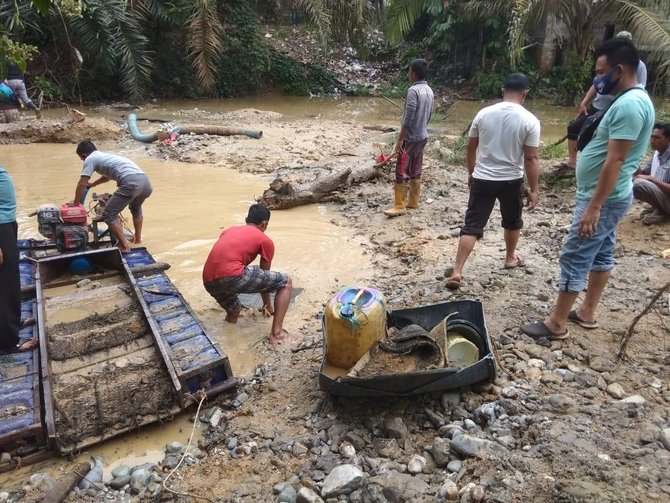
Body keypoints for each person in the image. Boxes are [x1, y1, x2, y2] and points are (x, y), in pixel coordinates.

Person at [521, 38, 655, 340]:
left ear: (619, 70)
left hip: (603, 197)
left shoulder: (631, 105)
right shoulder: (632, 99)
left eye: (600, 71)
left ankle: (556, 324)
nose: (597, 79)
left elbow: (617, 159)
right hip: (609, 194)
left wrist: (594, 206)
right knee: (601, 251)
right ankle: (587, 312)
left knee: (576, 252)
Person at [445, 73, 540, 289]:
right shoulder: (530, 120)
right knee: (512, 220)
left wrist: (471, 172)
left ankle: (458, 270)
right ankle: (509, 258)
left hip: (483, 178)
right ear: (525, 94)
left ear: (502, 91)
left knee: (472, 225)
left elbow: (470, 148)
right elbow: (531, 158)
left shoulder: (483, 114)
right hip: (511, 180)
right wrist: (534, 189)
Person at [203, 204, 293, 345]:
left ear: (247, 219)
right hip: (232, 275)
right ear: (264, 224)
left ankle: (227, 343)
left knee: (234, 309)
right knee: (286, 282)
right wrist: (267, 305)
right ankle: (277, 334)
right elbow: (264, 276)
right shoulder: (265, 240)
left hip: (208, 280)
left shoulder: (228, 231)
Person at [556, 31, 647, 170]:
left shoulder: (636, 72)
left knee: (613, 139)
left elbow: (638, 86)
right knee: (575, 127)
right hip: (598, 106)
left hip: (612, 108)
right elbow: (596, 84)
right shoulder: (608, 62)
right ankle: (573, 160)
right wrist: (584, 102)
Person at [72, 141, 153, 253]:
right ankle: (138, 239)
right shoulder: (106, 157)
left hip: (131, 182)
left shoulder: (90, 159)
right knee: (136, 208)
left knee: (108, 214)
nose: (83, 161)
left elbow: (82, 182)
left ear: (84, 155)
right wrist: (93, 184)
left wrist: (76, 203)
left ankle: (124, 246)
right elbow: (107, 177)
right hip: (146, 183)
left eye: (81, 158)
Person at [384, 59, 434, 217]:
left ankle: (399, 205)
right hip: (422, 135)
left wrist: (400, 140)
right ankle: (413, 201)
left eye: (409, 71)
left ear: (413, 74)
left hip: (411, 138)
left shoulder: (413, 91)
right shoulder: (429, 90)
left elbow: (408, 117)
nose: (408, 74)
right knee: (415, 168)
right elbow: (430, 114)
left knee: (401, 169)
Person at [633, 122, 670, 225]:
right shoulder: (657, 154)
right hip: (663, 196)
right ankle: (660, 208)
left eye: (657, 137)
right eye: (652, 137)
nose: (652, 140)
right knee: (632, 182)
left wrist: (651, 179)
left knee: (638, 184)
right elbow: (642, 173)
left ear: (668, 139)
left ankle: (662, 211)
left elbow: (645, 178)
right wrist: (633, 162)